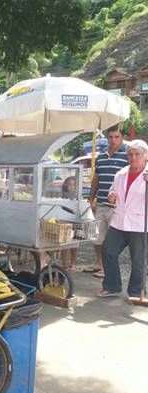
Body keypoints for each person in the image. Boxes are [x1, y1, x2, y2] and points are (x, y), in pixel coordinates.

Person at [98, 139, 148, 303]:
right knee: (108, 250)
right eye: (130, 154)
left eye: (137, 154)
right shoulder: (121, 173)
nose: (133, 157)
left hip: (140, 224)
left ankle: (135, 291)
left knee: (138, 260)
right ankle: (112, 286)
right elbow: (113, 192)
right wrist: (111, 196)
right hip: (119, 221)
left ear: (145, 156)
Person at [86, 126, 128, 278]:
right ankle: (99, 263)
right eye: (110, 137)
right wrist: (91, 198)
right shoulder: (101, 156)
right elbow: (96, 179)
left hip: (117, 205)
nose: (113, 140)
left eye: (117, 137)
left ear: (122, 138)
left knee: (112, 240)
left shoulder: (127, 155)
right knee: (97, 236)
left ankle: (108, 269)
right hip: (101, 203)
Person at [60, 176, 78, 271]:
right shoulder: (62, 196)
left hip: (75, 221)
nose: (71, 187)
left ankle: (73, 262)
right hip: (65, 221)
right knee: (64, 243)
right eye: (69, 184)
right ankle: (64, 262)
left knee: (75, 243)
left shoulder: (77, 196)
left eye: (73, 185)